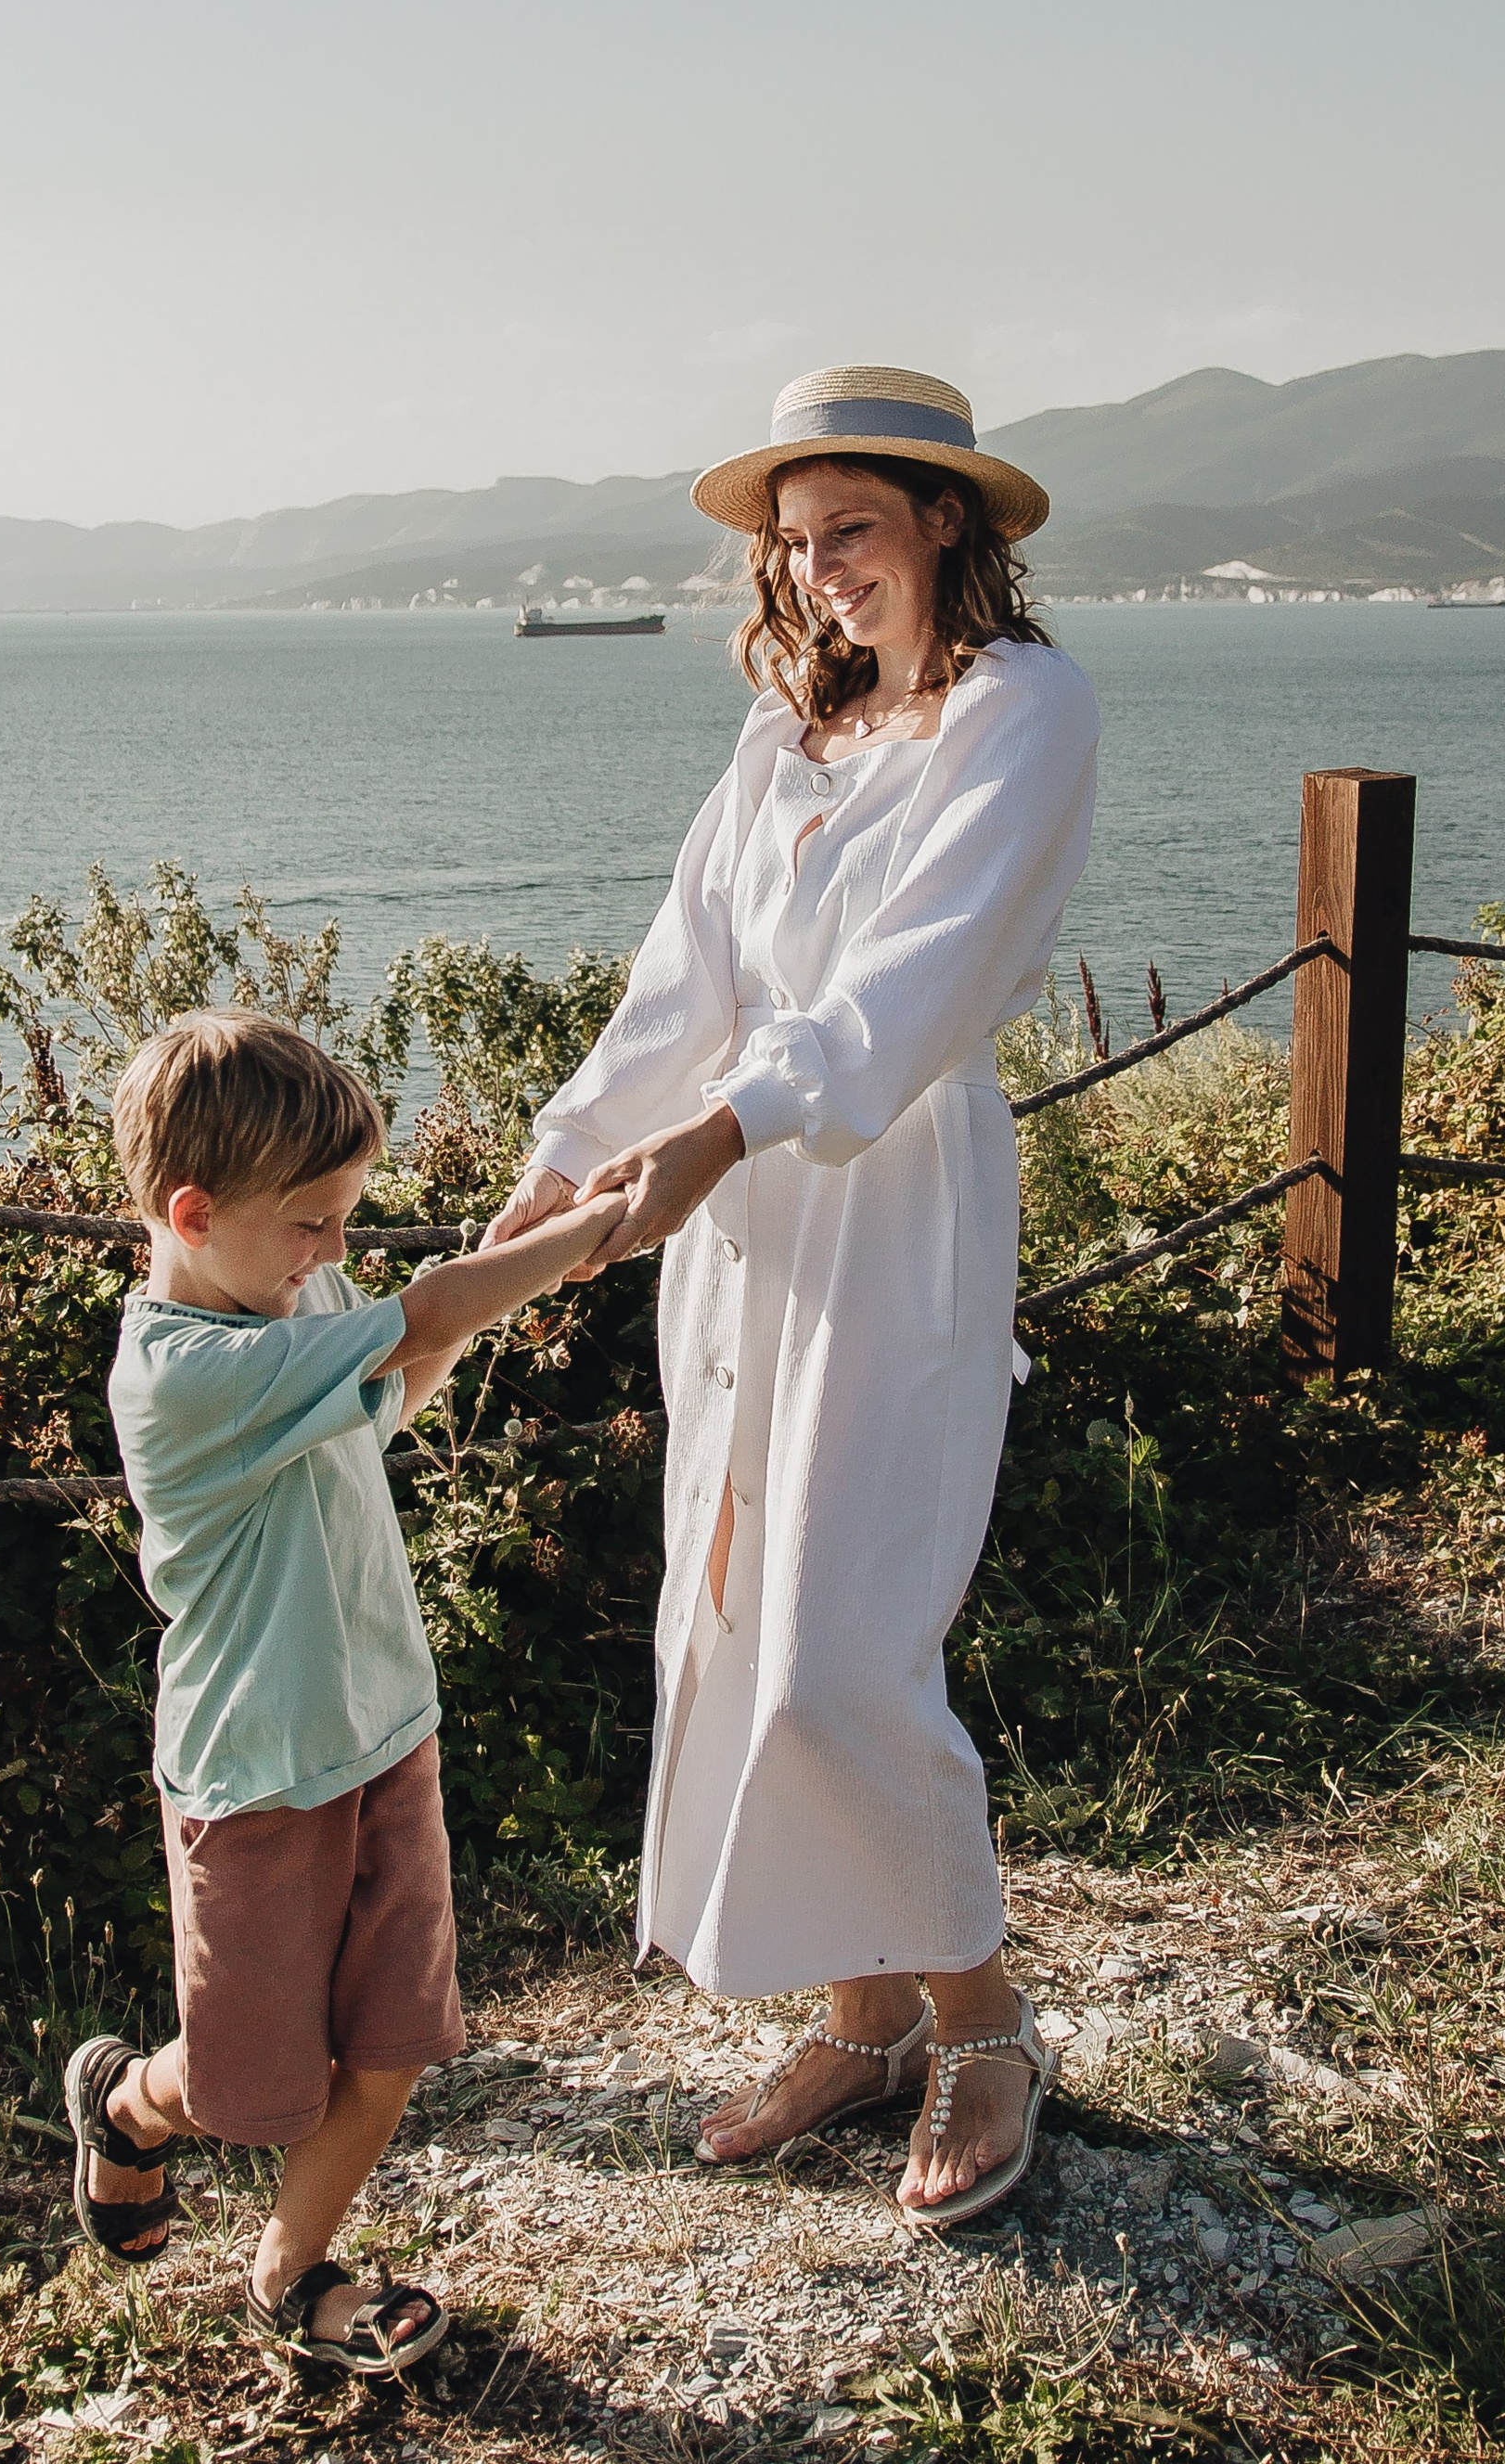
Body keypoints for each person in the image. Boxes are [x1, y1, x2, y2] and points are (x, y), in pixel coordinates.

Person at [481, 365, 1099, 2231]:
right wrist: (563, 1156)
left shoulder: (1019, 710)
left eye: (851, 528)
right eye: (795, 540)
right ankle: (858, 2012)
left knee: (844, 1651)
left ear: (940, 524)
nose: (821, 570)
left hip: (886, 1205)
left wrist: (716, 1138)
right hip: (741, 1220)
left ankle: (979, 2024)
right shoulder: (786, 742)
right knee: (742, 1620)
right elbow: (683, 986)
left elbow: (907, 994)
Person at [63, 1008, 622, 2382]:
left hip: (387, 1735)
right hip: (257, 1776)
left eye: (345, 1222)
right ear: (192, 1214)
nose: (334, 1256)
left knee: (389, 2041)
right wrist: (589, 1236)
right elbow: (420, 1319)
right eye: (313, 1224)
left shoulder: (282, 1300)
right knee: (261, 2085)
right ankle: (133, 2104)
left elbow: (401, 1371)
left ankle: (293, 2273)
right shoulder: (186, 1374)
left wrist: (510, 1260)